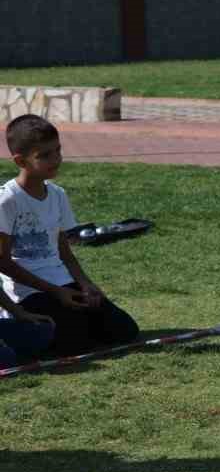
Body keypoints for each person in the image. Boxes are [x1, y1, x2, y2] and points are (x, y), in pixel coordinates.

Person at [0, 115, 140, 356]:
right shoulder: (7, 201)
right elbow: (4, 263)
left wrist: (86, 284)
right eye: (44, 155)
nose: (56, 159)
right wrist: (56, 292)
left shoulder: (57, 195)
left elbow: (64, 251)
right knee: (75, 342)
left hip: (64, 285)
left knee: (126, 330)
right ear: (20, 160)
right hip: (29, 292)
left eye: (57, 150)